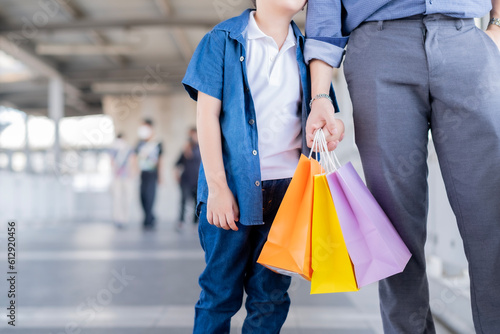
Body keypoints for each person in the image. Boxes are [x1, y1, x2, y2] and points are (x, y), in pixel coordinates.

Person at [305, 1, 500, 333]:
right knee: (393, 228)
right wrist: (320, 95)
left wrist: (497, 24)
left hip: (464, 39)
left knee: (492, 218)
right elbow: (324, 11)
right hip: (378, 48)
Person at [182, 0, 345, 332]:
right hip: (232, 189)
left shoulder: (310, 55)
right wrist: (217, 188)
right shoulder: (221, 39)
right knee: (219, 295)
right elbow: (207, 117)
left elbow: (319, 117)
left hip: (289, 194)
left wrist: (332, 131)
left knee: (270, 297)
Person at [135, 118, 163, 230]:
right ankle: (150, 216)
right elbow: (135, 157)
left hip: (153, 174)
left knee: (150, 196)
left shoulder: (158, 143)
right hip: (143, 174)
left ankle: (148, 221)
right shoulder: (139, 143)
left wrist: (161, 175)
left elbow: (161, 160)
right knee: (142, 197)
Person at [175, 127, 201, 231]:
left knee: (196, 202)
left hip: (197, 180)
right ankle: (181, 221)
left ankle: (195, 222)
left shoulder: (202, 148)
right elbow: (177, 164)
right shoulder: (186, 149)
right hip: (186, 180)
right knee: (183, 201)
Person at [109, 133, 134, 229]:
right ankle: (117, 219)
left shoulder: (129, 150)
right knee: (117, 198)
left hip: (127, 178)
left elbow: (133, 161)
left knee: (127, 198)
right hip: (117, 178)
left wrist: (132, 173)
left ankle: (125, 218)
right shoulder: (113, 150)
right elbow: (111, 163)